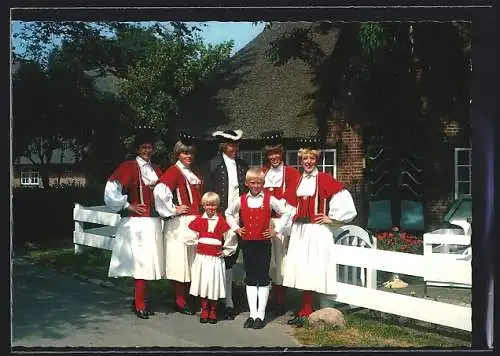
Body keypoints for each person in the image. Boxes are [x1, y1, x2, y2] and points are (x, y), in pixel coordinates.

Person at [282, 136, 357, 328]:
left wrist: (331, 219)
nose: (308, 162)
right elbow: (289, 207)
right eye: (305, 158)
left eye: (312, 158)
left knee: (316, 266)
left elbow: (345, 201)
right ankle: (304, 309)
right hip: (300, 230)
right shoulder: (297, 181)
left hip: (317, 230)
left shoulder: (324, 179)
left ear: (317, 160)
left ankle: (313, 310)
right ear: (301, 160)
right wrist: (287, 223)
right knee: (303, 266)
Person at [104, 124, 164, 319]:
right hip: (137, 224)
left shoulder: (156, 169)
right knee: (140, 264)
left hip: (153, 222)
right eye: (144, 147)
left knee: (148, 264)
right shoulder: (129, 167)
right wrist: (129, 206)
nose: (147, 151)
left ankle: (140, 301)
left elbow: (164, 195)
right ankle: (139, 304)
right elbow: (111, 190)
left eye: (150, 147)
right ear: (137, 149)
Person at [225, 168, 294, 329]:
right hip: (248, 243)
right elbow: (228, 213)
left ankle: (260, 316)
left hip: (263, 244)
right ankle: (252, 314)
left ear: (263, 184)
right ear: (247, 183)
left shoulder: (270, 199)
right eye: (253, 183)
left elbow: (286, 212)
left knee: (262, 278)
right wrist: (236, 228)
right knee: (250, 278)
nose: (256, 186)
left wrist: (276, 230)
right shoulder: (241, 200)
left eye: (259, 183)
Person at [153, 131, 203, 315]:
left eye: (190, 153)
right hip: (179, 224)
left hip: (195, 221)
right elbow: (160, 191)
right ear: (178, 154)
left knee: (192, 262)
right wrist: (174, 209)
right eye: (184, 153)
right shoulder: (174, 171)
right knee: (179, 263)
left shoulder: (193, 171)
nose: (188, 156)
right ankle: (180, 301)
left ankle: (189, 297)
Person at [203, 129, 249, 320]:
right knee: (215, 258)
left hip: (237, 217)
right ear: (224, 145)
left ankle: (228, 300)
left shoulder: (242, 165)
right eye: (231, 145)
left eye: (236, 145)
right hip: (218, 217)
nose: (234, 148)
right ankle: (213, 299)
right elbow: (207, 193)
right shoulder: (213, 165)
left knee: (230, 258)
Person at [259, 130, 301, 316]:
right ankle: (265, 297)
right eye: (270, 154)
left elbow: (292, 200)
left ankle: (280, 298)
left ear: (281, 154)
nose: (274, 157)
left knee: (281, 260)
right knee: (267, 261)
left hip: (282, 222)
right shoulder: (262, 173)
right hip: (264, 222)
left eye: (277, 153)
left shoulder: (291, 173)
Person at [184, 192, 238, 324]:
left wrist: (225, 251)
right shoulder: (199, 221)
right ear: (203, 205)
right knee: (203, 283)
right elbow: (189, 235)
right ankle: (204, 309)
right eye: (208, 205)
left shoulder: (221, 221)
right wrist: (200, 243)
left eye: (213, 205)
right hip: (202, 258)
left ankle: (213, 310)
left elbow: (231, 236)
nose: (211, 208)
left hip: (215, 259)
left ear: (217, 206)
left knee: (214, 283)